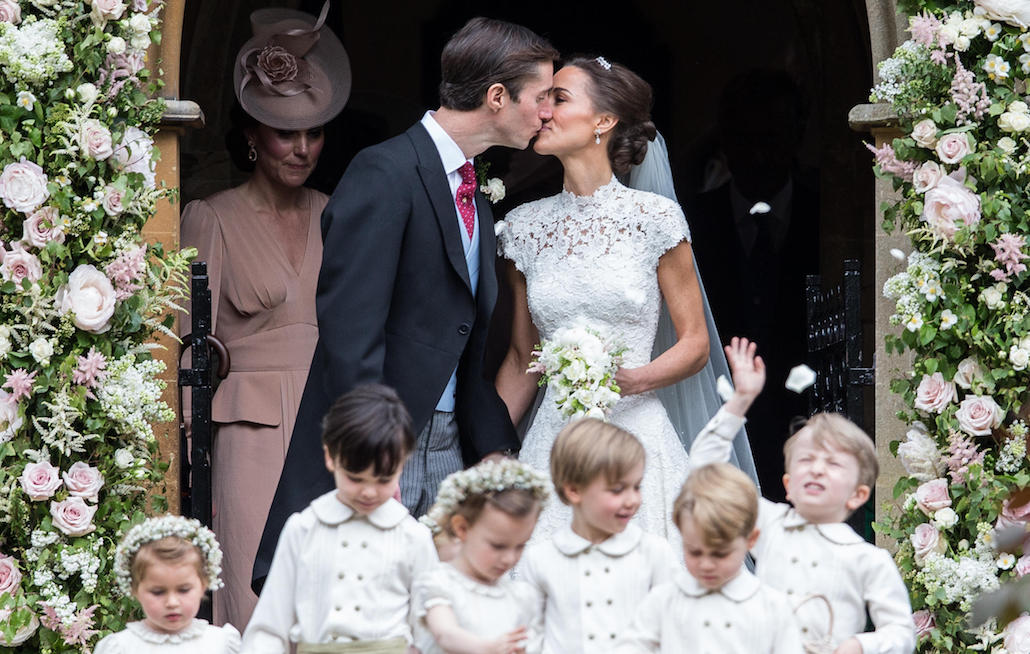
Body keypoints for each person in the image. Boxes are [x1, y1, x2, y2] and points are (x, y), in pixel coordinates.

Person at [255, 18, 559, 588]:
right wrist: (374, 457)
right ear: (498, 97)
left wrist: (492, 445)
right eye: (542, 97)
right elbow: (350, 333)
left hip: (451, 446)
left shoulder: (474, 192)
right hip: (387, 443)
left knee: (449, 605)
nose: (548, 112)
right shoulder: (385, 172)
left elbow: (464, 336)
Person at [496, 55, 754, 544]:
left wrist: (630, 381)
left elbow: (695, 343)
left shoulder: (656, 219)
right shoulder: (522, 229)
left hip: (636, 435)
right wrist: (491, 449)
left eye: (558, 98)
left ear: (603, 121)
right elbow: (521, 357)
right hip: (553, 441)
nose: (543, 111)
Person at [179, 2, 350, 629]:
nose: (302, 149)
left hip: (328, 427)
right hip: (247, 433)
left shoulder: (337, 212)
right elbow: (187, 350)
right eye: (286, 133)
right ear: (252, 135)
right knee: (255, 607)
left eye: (314, 133)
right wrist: (191, 468)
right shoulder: (211, 217)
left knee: (330, 601)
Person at [690, 337, 916, 654]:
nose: (817, 469)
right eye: (806, 460)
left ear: (858, 494)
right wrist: (740, 400)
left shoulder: (868, 559)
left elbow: (902, 632)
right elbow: (704, 470)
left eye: (833, 463)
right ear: (788, 484)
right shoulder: (767, 524)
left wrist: (861, 644)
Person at [242, 384, 437, 653]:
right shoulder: (303, 528)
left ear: (402, 465)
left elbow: (430, 627)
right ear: (331, 457)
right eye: (355, 479)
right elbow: (270, 624)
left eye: (383, 480)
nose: (368, 492)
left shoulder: (414, 537)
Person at [518, 419, 678, 653]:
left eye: (637, 487)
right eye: (617, 490)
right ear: (574, 490)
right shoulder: (541, 560)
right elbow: (530, 635)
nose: (632, 500)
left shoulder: (653, 552)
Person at [615, 463, 803, 653]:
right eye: (694, 552)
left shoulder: (771, 607)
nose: (705, 565)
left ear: (751, 539)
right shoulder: (663, 600)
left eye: (720, 554)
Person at [412, 459, 549, 654]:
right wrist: (488, 648)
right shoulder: (438, 584)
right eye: (497, 546)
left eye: (520, 546)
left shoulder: (521, 597)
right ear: (462, 528)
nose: (509, 558)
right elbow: (446, 634)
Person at [96, 516, 239, 653]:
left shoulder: (221, 643)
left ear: (203, 585)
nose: (172, 602)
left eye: (183, 590)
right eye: (158, 592)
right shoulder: (120, 648)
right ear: (135, 589)